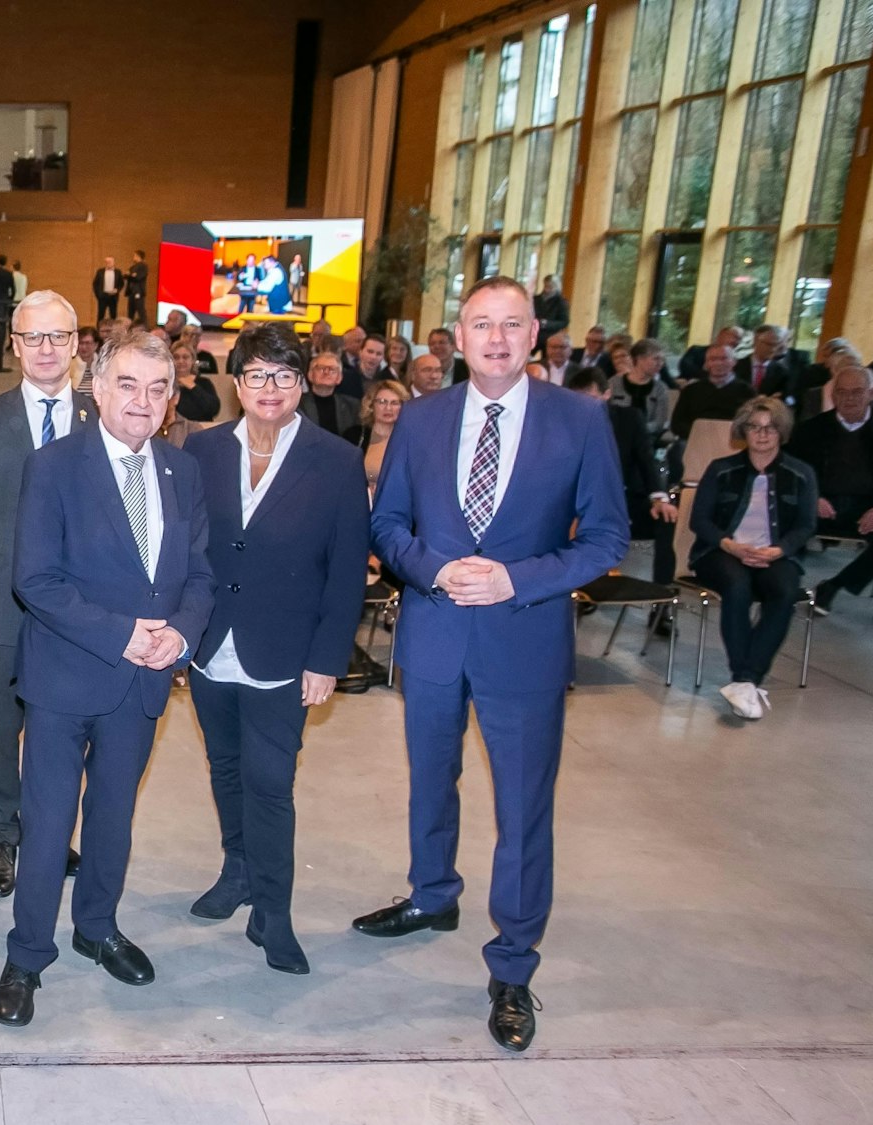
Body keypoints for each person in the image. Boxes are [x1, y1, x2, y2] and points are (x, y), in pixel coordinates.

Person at [352, 275, 627, 1053]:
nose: (497, 338)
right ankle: (433, 893)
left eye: (512, 324)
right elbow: (388, 520)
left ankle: (512, 962)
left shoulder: (579, 420)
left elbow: (607, 537)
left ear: (534, 333)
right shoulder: (424, 418)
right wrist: (433, 569)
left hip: (525, 638)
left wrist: (518, 577)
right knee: (429, 780)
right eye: (481, 324)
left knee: (522, 807)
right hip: (436, 633)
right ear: (459, 335)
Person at [0, 330, 213, 1028]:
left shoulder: (182, 473)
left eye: (157, 388)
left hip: (142, 685)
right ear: (97, 387)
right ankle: (27, 954)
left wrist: (180, 633)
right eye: (128, 384)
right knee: (50, 824)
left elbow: (202, 573)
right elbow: (36, 580)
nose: (142, 401)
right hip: (64, 680)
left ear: (172, 400)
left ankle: (97, 926)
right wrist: (125, 634)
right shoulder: (54, 466)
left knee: (113, 818)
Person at [185, 323, 369, 973]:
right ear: (236, 383)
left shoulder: (337, 460)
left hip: (286, 653)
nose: (271, 387)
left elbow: (348, 571)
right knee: (226, 768)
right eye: (258, 374)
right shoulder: (201, 450)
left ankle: (274, 912)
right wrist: (180, 634)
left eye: (285, 375)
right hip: (211, 645)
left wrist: (327, 658)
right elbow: (186, 552)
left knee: (271, 782)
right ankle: (236, 868)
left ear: (302, 384)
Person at [0, 292, 97, 897]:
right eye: (33, 337)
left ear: (76, 344)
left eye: (58, 336)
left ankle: (49, 834)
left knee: (62, 730)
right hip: (0, 606)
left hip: (81, 614)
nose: (46, 349)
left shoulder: (105, 418)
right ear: (14, 344)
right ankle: (3, 835)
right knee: (0, 729)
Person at [689, 397, 817, 719]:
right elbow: (699, 521)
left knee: (785, 591)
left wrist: (780, 550)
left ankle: (745, 681)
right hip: (722, 552)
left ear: (782, 431)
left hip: (775, 553)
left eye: (771, 427)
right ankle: (745, 681)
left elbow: (806, 526)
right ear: (742, 431)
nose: (762, 434)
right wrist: (731, 546)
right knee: (736, 584)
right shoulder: (721, 469)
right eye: (754, 427)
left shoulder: (802, 473)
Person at [790, 367, 873, 613]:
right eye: (841, 392)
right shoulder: (809, 430)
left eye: (857, 392)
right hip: (820, 505)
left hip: (868, 508)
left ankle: (834, 586)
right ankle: (786, 587)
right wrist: (812, 497)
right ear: (833, 395)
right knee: (782, 523)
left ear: (872, 393)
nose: (848, 398)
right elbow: (793, 473)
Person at [569, 366, 677, 587]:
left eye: (590, 398)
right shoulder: (567, 422)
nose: (584, 405)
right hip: (583, 501)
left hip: (626, 497)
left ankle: (661, 597)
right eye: (577, 399)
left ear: (607, 394)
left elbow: (647, 460)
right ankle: (585, 586)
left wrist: (659, 497)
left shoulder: (629, 419)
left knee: (667, 519)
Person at [671, 341, 756, 442]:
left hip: (731, 442)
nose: (718, 363)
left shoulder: (747, 391)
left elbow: (752, 423)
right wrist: (700, 434)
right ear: (706, 364)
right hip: (695, 439)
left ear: (734, 362)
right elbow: (677, 424)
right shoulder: (691, 390)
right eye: (713, 359)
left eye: (724, 358)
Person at [348, 378, 412, 491]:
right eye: (382, 402)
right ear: (371, 405)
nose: (388, 408)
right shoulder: (354, 435)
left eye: (395, 403)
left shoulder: (411, 440)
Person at [610, 338, 675, 441]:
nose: (660, 363)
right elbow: (606, 414)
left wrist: (636, 429)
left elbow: (659, 423)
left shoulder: (660, 388)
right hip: (616, 435)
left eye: (662, 360)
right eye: (656, 359)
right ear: (640, 359)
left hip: (646, 437)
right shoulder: (614, 383)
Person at [298, 350, 359, 436]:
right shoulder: (298, 404)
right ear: (310, 375)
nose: (326, 372)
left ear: (339, 378)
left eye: (332, 369)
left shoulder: (353, 407)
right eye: (321, 368)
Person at [171, 343, 221, 422]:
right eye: (176, 357)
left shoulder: (204, 382)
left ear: (193, 360)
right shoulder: (167, 384)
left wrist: (193, 387)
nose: (180, 361)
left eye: (185, 357)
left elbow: (214, 409)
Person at [532, 274, 569, 346]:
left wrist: (546, 323)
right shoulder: (536, 299)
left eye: (551, 287)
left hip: (550, 337)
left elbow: (564, 322)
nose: (547, 289)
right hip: (534, 334)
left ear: (557, 287)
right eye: (546, 286)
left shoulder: (561, 302)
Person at [92, 256, 123, 321]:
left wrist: (117, 290)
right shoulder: (100, 271)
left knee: (113, 315)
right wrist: (98, 294)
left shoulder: (118, 272)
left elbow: (121, 283)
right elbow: (95, 284)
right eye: (107, 262)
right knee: (101, 315)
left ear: (113, 263)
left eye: (110, 262)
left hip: (113, 296)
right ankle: (99, 329)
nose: (108, 263)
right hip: (103, 296)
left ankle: (114, 330)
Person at [124, 249, 149, 322]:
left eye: (135, 255)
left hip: (138, 292)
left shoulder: (144, 266)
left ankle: (145, 327)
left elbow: (139, 277)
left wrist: (131, 275)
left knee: (141, 311)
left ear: (139, 256)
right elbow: (125, 275)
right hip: (131, 292)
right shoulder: (133, 267)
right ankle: (129, 328)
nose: (133, 257)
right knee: (130, 312)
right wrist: (132, 275)